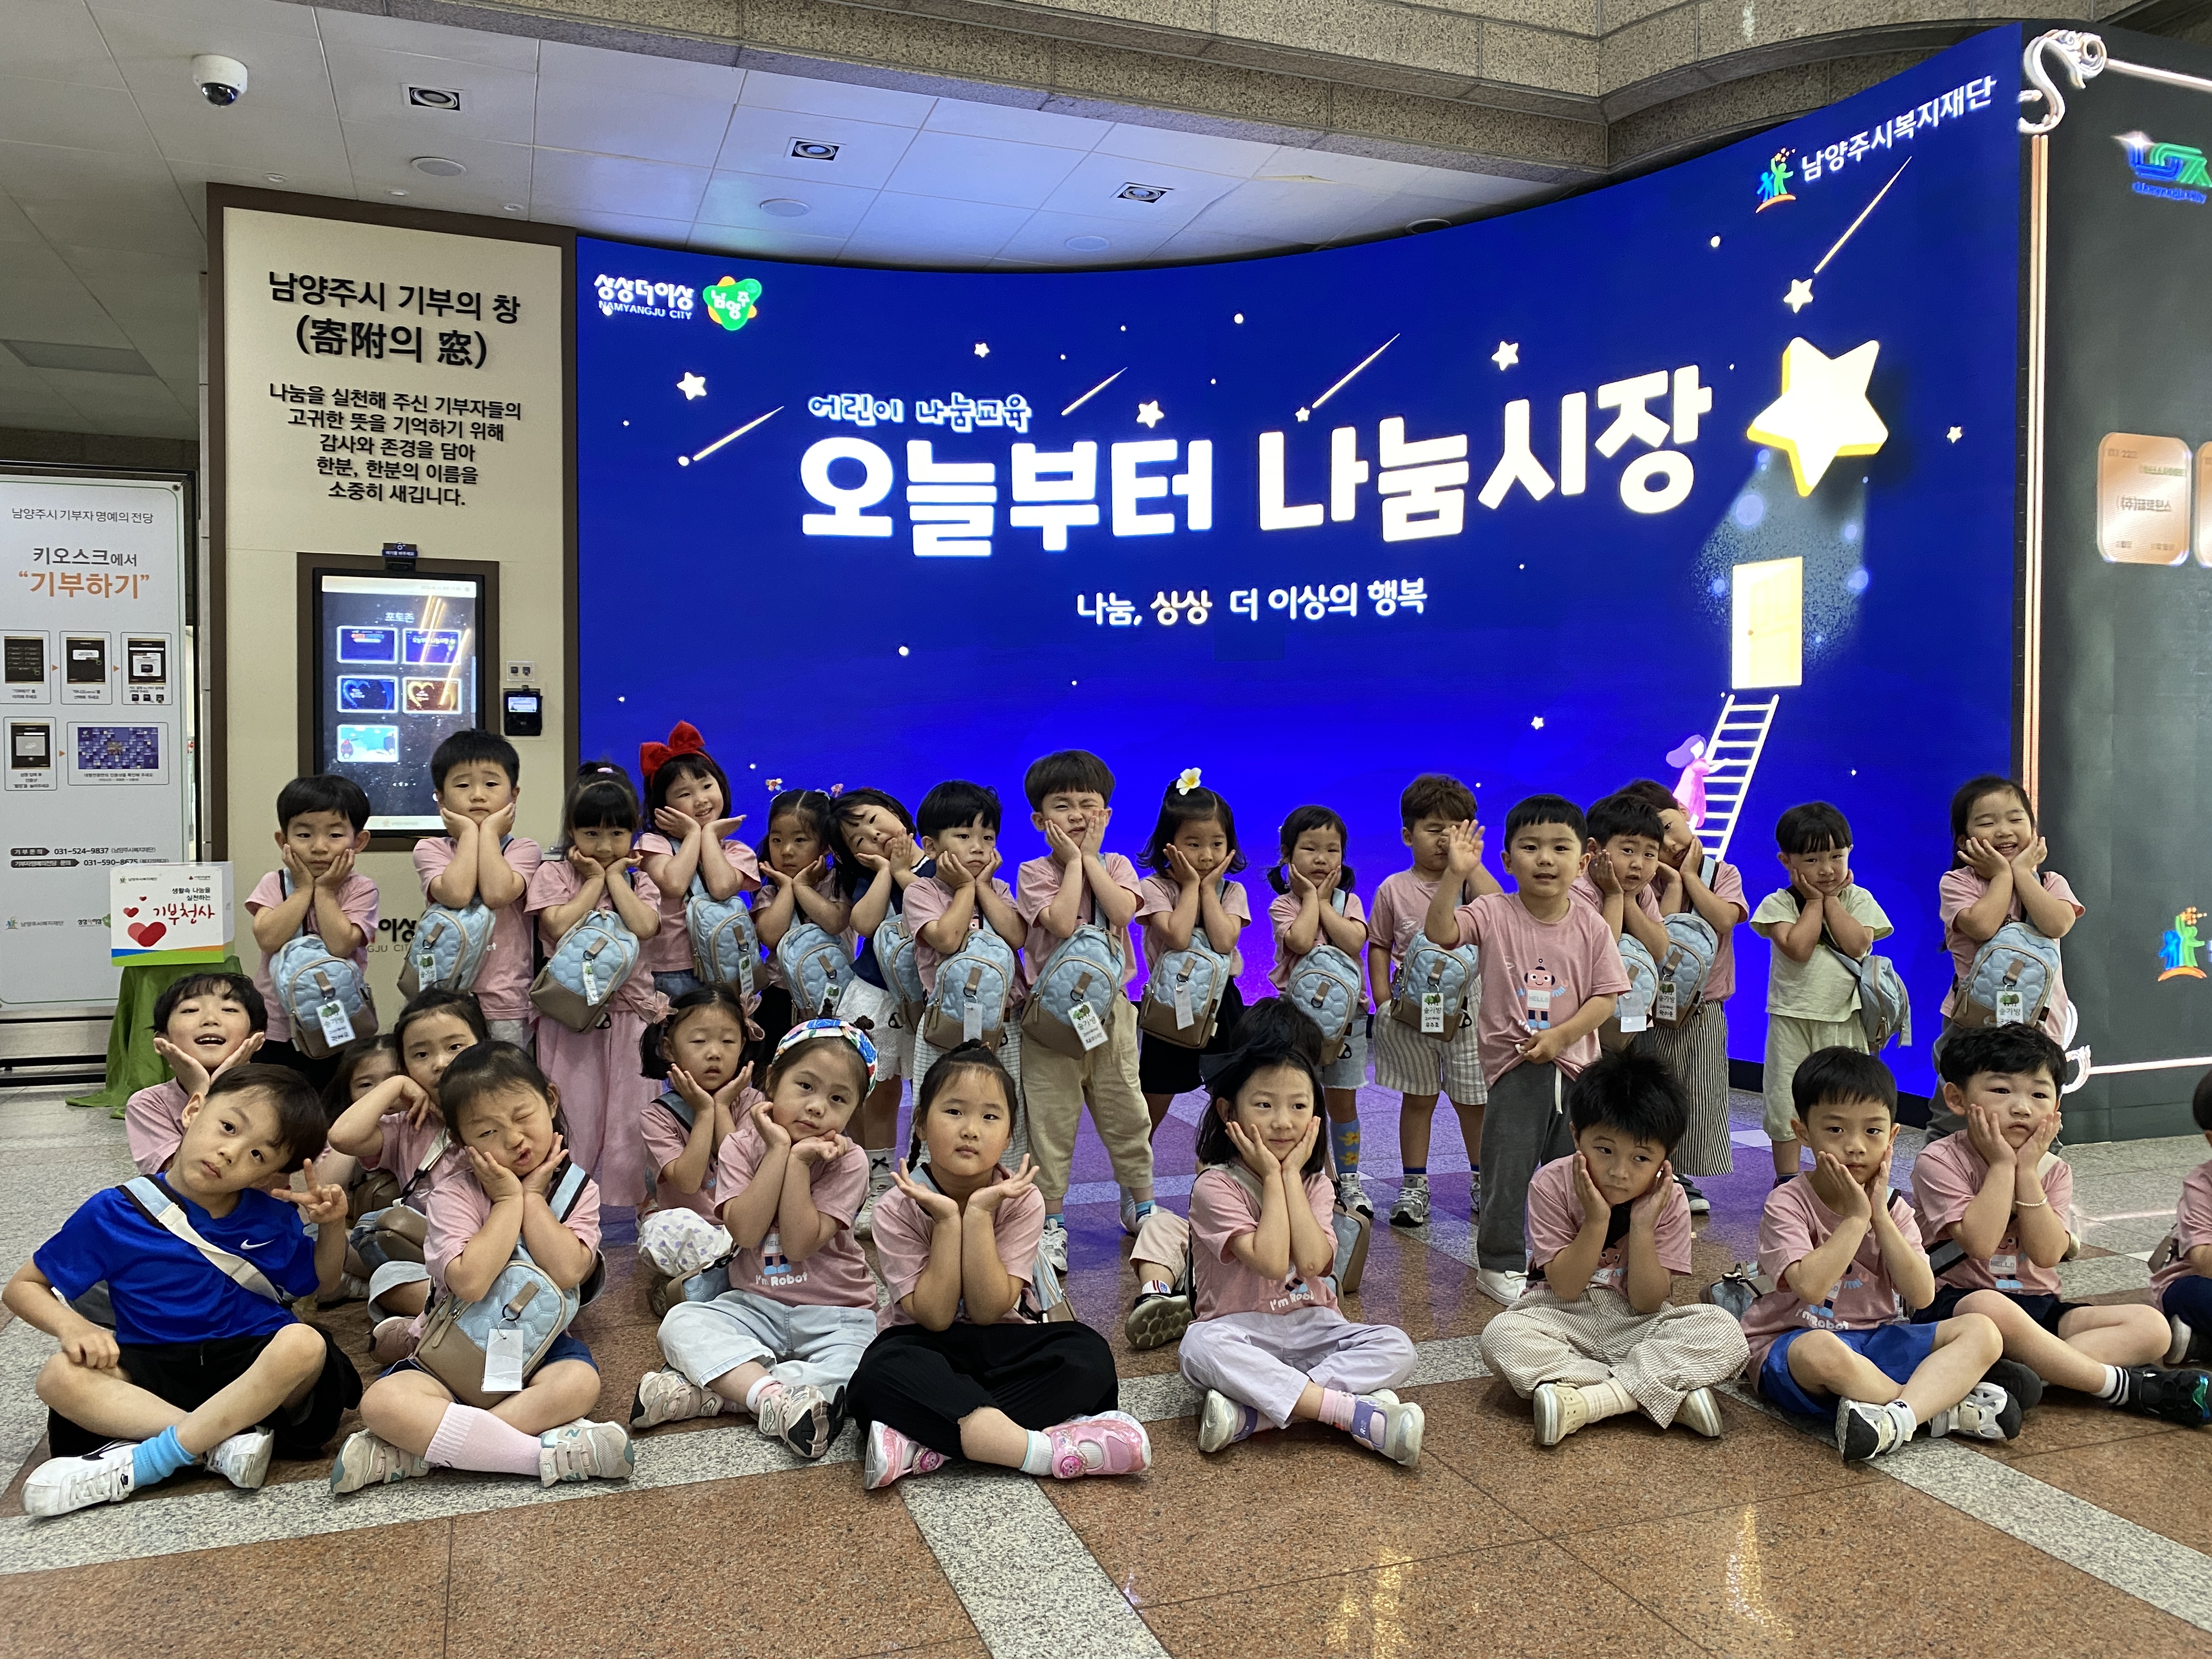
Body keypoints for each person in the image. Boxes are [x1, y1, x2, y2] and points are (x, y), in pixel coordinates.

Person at [7, 1065, 359, 1516]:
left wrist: (331, 1228)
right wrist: (72, 1326)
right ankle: (216, 1443)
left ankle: (155, 1458)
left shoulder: (270, 1217)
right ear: (193, 1110)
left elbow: (322, 1282)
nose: (230, 1153)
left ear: (268, 1174)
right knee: (58, 1376)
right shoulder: (113, 1212)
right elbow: (23, 1287)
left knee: (304, 1344)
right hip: (154, 1367)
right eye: (228, 1127)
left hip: (250, 1365)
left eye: (258, 1155)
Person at [330, 1042, 634, 1493]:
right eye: (488, 1131)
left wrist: (533, 1198)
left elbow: (569, 1272)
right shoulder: (454, 1193)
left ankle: (426, 1450)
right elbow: (470, 1283)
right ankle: (536, 1456)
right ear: (461, 1142)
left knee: (579, 1384)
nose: (514, 1139)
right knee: (382, 1403)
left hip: (539, 1350)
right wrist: (509, 1200)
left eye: (523, 1116)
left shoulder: (576, 1189)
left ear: (551, 1100)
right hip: (454, 1349)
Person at [845, 1042, 1150, 1489]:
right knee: (876, 1376)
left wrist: (980, 1214)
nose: (971, 1130)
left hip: (1002, 1340)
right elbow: (934, 1316)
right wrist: (947, 1221)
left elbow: (989, 1310)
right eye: (954, 1112)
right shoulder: (897, 1207)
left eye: (990, 1117)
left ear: (1009, 1136)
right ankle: (1043, 1451)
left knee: (1088, 1356)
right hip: (924, 1343)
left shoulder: (1022, 1200)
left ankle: (927, 1443)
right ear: (921, 1123)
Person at [1914, 1025, 2209, 1424]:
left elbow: (2048, 1254)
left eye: (2038, 1095)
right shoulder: (1940, 1161)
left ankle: (2022, 1374)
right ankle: (2118, 1385)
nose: (2022, 1108)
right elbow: (1980, 1244)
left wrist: (2027, 1172)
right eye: (2001, 1090)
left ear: (2056, 1105)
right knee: (1990, 1305)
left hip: (2039, 1306)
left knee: (2152, 1327)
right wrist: (2001, 1166)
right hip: (1961, 1307)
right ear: (1957, 1099)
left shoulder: (2053, 1170)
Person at [1739, 1048, 2017, 1462]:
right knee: (1822, 1351)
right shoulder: (1788, 1202)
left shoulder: (1894, 1208)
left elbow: (1921, 1295)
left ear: (1892, 1136)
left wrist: (1880, 1218)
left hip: (1877, 1339)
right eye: (1835, 1129)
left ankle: (1896, 1416)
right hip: (1793, 1343)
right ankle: (1935, 1406)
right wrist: (1856, 1220)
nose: (1855, 1147)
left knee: (1983, 1330)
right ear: (1803, 1132)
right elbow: (1811, 1288)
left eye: (1872, 1131)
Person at [633, 1022, 881, 1459]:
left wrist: (800, 1164)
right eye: (805, 1086)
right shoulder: (740, 1146)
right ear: (772, 1081)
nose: (817, 1107)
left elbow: (800, 1244)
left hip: (837, 1314)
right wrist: (780, 1151)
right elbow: (746, 1232)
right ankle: (773, 1396)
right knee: (680, 1323)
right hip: (753, 1306)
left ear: (854, 1110)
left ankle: (724, 1393)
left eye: (838, 1099)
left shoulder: (850, 1161)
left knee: (867, 1368)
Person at [1478, 1050, 1748, 1446]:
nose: (1620, 1172)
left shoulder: (1670, 1198)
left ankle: (1587, 1400)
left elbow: (1648, 1302)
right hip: (1561, 1315)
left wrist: (1642, 1226)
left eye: (1641, 1158)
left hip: (1636, 1323)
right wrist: (1596, 1220)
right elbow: (1566, 1287)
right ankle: (1658, 1393)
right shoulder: (1551, 1184)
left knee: (1723, 1329)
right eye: (1604, 1150)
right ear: (1576, 1136)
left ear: (1666, 1156)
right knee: (1502, 1334)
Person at [1422, 797, 1630, 1306]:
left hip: (1577, 1070)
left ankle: (1566, 1261)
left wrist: (1561, 1037)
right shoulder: (1494, 911)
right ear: (1508, 860)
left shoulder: (1591, 923)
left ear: (1583, 861)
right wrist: (1455, 875)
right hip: (1515, 1066)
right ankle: (1499, 1262)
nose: (1545, 859)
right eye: (1531, 847)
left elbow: (1606, 997)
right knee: (1508, 1171)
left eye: (1560, 848)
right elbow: (1440, 932)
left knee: (1574, 1173)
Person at [1177, 1034, 1422, 1464]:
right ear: (1228, 1112)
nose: (1283, 1122)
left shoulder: (1316, 1184)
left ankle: (1256, 1415)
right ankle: (1348, 1411)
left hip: (1314, 1325)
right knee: (1198, 1347)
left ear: (1315, 1116)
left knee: (1398, 1346)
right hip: (1240, 1330)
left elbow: (1312, 1263)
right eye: (1264, 1105)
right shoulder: (1215, 1186)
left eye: (1298, 1106)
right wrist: (1274, 1177)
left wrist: (1291, 1175)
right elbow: (1273, 1263)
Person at [1014, 749, 1155, 1272]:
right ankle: (1050, 1221)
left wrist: (1091, 859)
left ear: (1107, 814)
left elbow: (1121, 911)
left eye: (1088, 805)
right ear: (1040, 820)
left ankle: (1141, 1206)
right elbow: (1060, 923)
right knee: (1051, 1119)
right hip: (1050, 1020)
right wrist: (1073, 862)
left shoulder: (1116, 866)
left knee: (1126, 1108)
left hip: (1111, 1012)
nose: (1077, 815)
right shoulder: (1033, 871)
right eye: (1063, 805)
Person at [526, 763, 664, 1207]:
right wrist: (594, 881)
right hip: (571, 1018)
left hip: (632, 1017)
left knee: (633, 1118)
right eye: (591, 834)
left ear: (633, 832)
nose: (604, 846)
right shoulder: (553, 874)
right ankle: (565, 1209)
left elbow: (644, 926)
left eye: (617, 834)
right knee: (572, 1115)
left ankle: (642, 1209)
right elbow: (558, 924)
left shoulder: (641, 880)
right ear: (571, 831)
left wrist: (616, 879)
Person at [1367, 773, 1499, 1228]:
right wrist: (1383, 1000)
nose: (1445, 839)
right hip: (1412, 1009)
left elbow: (1500, 910)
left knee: (1473, 1101)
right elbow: (1380, 944)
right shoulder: (1393, 888)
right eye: (1434, 829)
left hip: (1469, 1011)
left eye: (1456, 829)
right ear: (1409, 835)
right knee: (1418, 1098)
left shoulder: (1471, 884)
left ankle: (1483, 1181)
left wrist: (1468, 866)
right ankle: (1414, 1186)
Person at [326, 988, 491, 1343]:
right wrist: (396, 1085)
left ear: (483, 1045)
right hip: (429, 1260)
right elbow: (342, 1137)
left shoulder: (500, 1112)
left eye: (455, 1046)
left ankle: (437, 1324)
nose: (440, 1063)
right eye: (421, 1054)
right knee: (386, 1280)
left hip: (496, 1251)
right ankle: (475, 1317)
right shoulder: (405, 1127)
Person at [1618, 777, 1747, 1211]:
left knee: (1697, 1090)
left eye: (1672, 828)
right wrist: (1670, 883)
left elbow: (1724, 920)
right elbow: (1662, 939)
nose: (1671, 843)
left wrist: (1689, 876)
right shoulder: (1644, 880)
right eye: (1656, 839)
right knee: (1650, 1089)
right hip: (1649, 1008)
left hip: (1703, 1007)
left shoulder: (1723, 873)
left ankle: (1682, 1176)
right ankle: (1650, 1168)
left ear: (1686, 815)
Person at [1929, 774, 2083, 1134]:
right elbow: (1982, 926)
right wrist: (2002, 876)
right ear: (1964, 840)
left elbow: (2057, 923)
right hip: (1972, 1026)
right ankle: (1946, 1170)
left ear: (2033, 829)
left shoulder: (2051, 883)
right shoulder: (1958, 883)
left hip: (2040, 1026)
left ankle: (2036, 1172)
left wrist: (2022, 874)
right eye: (1987, 822)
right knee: (1957, 1117)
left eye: (2016, 819)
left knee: (2037, 1118)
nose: (2003, 830)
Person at [1751, 802, 1893, 1184]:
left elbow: (1857, 945)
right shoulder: (1779, 903)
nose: (1827, 869)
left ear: (1850, 853)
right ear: (1787, 861)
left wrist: (1830, 901)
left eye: (1836, 857)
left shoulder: (1858, 900)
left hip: (1844, 1019)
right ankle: (1787, 1179)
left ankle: (1846, 1176)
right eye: (1813, 860)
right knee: (1784, 1099)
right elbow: (1797, 948)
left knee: (1844, 1100)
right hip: (1790, 1017)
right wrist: (1814, 902)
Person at [901, 779, 1030, 1161]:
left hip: (1004, 1024)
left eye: (988, 838)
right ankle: (932, 1181)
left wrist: (983, 887)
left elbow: (1017, 936)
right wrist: (964, 889)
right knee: (945, 1106)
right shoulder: (921, 892)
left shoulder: (998, 890)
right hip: (946, 1025)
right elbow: (947, 939)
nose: (978, 847)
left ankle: (1001, 1182)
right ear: (930, 846)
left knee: (1000, 1108)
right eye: (963, 836)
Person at [1268, 805, 1373, 1216]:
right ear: (1287, 855)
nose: (1322, 859)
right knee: (1303, 1100)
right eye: (1310, 848)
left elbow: (1353, 941)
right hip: (1298, 1020)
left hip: (1348, 1022)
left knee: (1343, 1101)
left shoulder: (1350, 902)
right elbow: (1299, 941)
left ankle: (1349, 1179)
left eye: (1332, 850)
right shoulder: (1284, 905)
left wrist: (1326, 902)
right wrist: (1311, 898)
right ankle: (1315, 1178)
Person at [633, 985, 763, 1314]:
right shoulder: (657, 1116)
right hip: (695, 1231)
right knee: (660, 1231)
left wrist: (723, 1107)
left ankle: (704, 1284)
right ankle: (724, 1280)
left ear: (742, 1045)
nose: (715, 1053)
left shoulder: (754, 1103)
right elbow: (689, 1182)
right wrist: (705, 1112)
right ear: (669, 1048)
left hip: (743, 1226)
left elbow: (745, 1174)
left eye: (728, 1041)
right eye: (699, 1041)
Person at [246, 773, 380, 1090]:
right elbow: (268, 938)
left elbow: (341, 945)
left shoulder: (361, 889)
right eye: (304, 835)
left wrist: (326, 891)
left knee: (332, 1098)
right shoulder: (275, 883)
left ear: (359, 841)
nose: (319, 847)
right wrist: (303, 888)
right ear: (284, 841)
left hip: (339, 1019)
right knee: (277, 1099)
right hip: (276, 1025)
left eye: (335, 835)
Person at [1135, 772, 1252, 1132]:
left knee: (1233, 1093)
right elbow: (1178, 937)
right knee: (1154, 1095)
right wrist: (1189, 887)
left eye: (1217, 843)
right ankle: (1137, 1163)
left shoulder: (1231, 891)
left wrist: (1208, 889)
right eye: (1194, 844)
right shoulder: (1154, 887)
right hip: (1171, 1002)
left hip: (1222, 1002)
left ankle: (1228, 1159)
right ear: (1169, 844)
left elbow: (1224, 942)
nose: (1207, 855)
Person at [414, 729, 542, 1049]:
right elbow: (456, 894)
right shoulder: (431, 849)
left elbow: (498, 893)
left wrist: (489, 834)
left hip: (506, 999)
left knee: (504, 1076)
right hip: (446, 999)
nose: (477, 796)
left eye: (491, 784)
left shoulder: (523, 849)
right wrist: (470, 834)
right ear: (441, 798)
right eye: (462, 786)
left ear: (513, 794)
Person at [828, 787, 921, 1227]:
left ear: (895, 810)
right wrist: (886, 870)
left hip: (929, 1003)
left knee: (932, 1091)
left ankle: (927, 1178)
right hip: (878, 998)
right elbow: (864, 924)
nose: (872, 834)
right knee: (880, 1093)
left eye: (872, 819)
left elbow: (940, 909)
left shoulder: (938, 864)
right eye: (858, 839)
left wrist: (904, 871)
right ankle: (877, 1184)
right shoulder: (870, 879)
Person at [633, 721, 760, 1001]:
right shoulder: (654, 844)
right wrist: (693, 834)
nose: (701, 800)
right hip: (668, 970)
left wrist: (709, 835)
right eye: (685, 794)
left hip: (725, 967)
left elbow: (722, 887)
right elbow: (673, 885)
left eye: (706, 786)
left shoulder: (736, 851)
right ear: (662, 805)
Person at [127, 971, 268, 1175]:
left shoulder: (275, 1097)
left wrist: (222, 1085)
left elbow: (268, 1179)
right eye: (190, 1010)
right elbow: (183, 1177)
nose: (210, 1019)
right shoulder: (149, 1104)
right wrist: (202, 1091)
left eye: (229, 1009)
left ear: (255, 1038)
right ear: (163, 1041)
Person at [752, 787, 851, 1052]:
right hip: (779, 998)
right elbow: (770, 936)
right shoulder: (770, 892)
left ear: (825, 845)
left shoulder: (839, 883)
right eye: (777, 840)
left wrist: (803, 887)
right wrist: (787, 887)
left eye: (800, 840)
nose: (786, 851)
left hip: (835, 994)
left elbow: (835, 922)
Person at [2153, 1071, 2212, 1367]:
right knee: (2195, 1295)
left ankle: (2199, 1345)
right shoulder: (2201, 1187)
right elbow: (2203, 1262)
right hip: (2192, 1282)